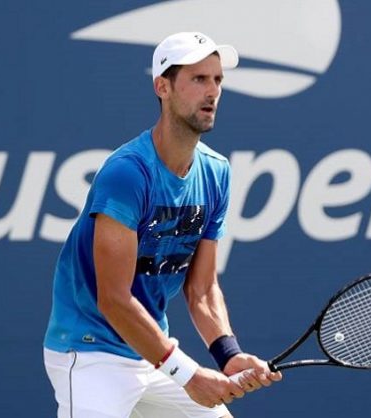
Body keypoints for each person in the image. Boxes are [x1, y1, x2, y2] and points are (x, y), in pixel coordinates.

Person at [43, 31, 282, 418]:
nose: (213, 91)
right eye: (199, 79)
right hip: (89, 352)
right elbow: (114, 300)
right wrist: (188, 375)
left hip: (149, 349)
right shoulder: (127, 174)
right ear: (163, 87)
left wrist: (228, 353)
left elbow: (202, 289)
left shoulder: (216, 173)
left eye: (218, 79)